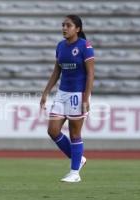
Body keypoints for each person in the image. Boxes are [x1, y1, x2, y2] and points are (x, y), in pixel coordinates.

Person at [40, 15, 94, 183]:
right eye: (63, 25)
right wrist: (46, 92)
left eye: (68, 25)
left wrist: (86, 97)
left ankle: (74, 173)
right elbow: (57, 71)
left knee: (75, 134)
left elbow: (91, 74)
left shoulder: (85, 46)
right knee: (52, 130)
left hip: (78, 94)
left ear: (77, 29)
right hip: (62, 94)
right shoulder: (61, 46)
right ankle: (79, 160)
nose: (64, 28)